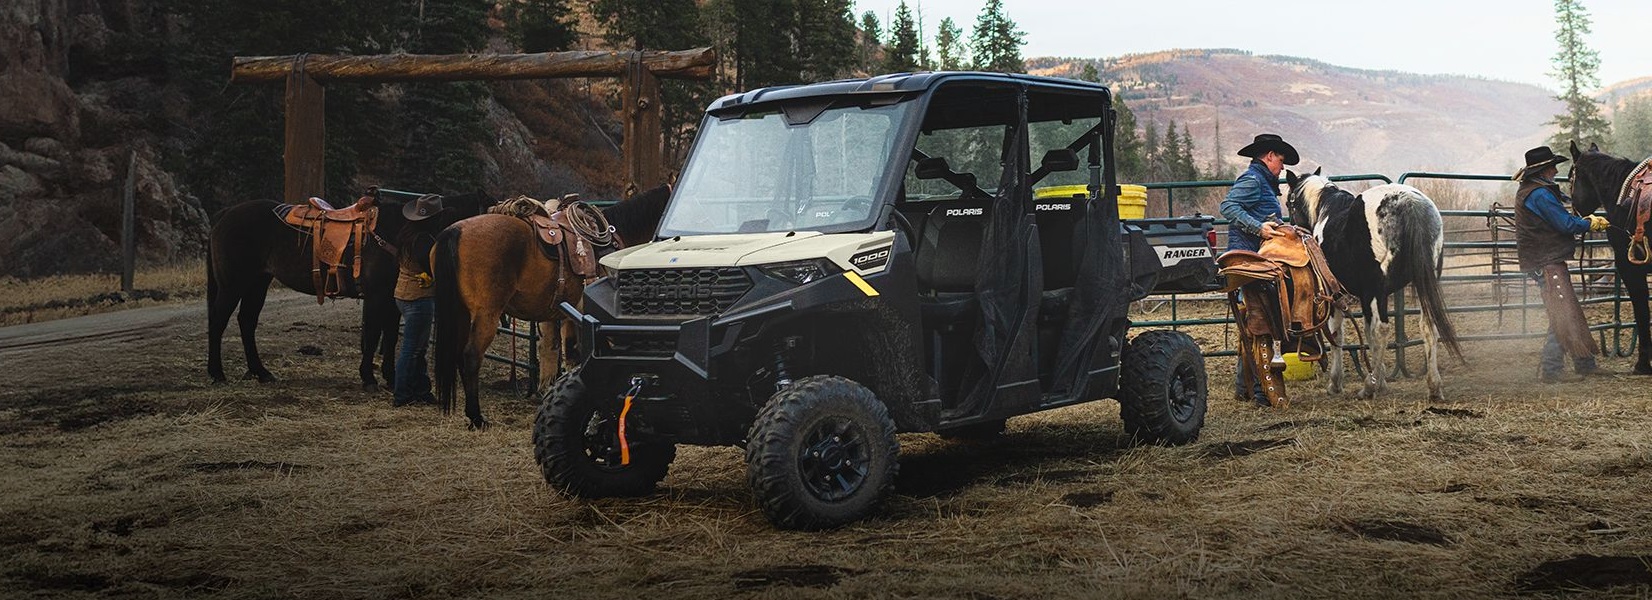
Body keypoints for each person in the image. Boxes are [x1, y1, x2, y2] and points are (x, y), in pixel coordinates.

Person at [1512, 146, 1611, 383]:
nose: (1556, 170)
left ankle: (1584, 363)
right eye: (1553, 166)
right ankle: (1552, 370)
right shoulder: (1540, 195)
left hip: (1546, 259)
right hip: (1547, 261)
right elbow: (1565, 224)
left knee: (1567, 311)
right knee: (1563, 314)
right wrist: (1589, 224)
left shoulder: (1535, 190)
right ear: (1544, 170)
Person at [1220, 134, 1301, 405]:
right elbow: (1228, 206)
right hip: (1250, 261)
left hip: (1255, 260)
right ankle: (1261, 393)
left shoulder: (1262, 182)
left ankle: (1246, 388)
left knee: (1252, 321)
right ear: (1269, 156)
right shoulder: (1253, 181)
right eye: (1280, 160)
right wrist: (1258, 227)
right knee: (1260, 319)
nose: (1282, 167)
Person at [392, 194, 445, 407]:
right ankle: (402, 394)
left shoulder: (407, 235)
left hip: (403, 294)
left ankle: (420, 389)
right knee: (413, 349)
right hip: (419, 298)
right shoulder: (424, 240)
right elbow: (432, 268)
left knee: (417, 347)